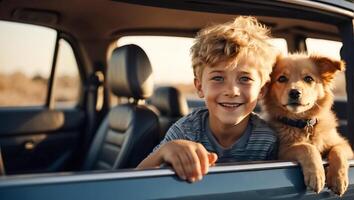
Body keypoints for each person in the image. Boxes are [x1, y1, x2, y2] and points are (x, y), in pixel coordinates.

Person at [137, 16, 278, 183]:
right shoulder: (186, 131)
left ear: (262, 89)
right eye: (218, 78)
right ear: (199, 87)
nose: (232, 91)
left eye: (245, 79)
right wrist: (165, 151)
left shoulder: (268, 138)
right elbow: (135, 181)